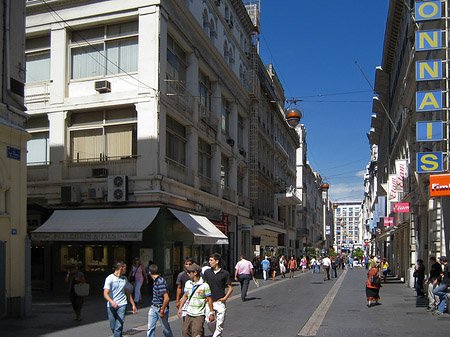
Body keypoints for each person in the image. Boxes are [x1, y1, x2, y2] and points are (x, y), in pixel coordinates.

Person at [178, 263, 215, 337]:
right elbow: (185, 296)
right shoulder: (188, 283)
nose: (187, 274)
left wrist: (211, 312)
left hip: (199, 314)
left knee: (196, 332)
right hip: (189, 312)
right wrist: (180, 308)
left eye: (189, 272)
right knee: (185, 332)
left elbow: (209, 299)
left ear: (195, 272)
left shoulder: (205, 286)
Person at [103, 261, 137, 337]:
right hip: (111, 305)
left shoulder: (124, 279)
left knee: (118, 326)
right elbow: (105, 293)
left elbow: (128, 292)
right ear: (121, 268)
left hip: (122, 304)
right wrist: (111, 302)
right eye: (125, 268)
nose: (126, 270)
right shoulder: (110, 278)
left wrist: (133, 304)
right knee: (113, 327)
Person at [203, 253, 233, 337]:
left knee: (220, 321)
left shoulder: (225, 273)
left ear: (217, 261)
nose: (209, 262)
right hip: (209, 301)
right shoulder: (207, 272)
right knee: (209, 321)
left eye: (211, 260)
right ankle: (216, 334)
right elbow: (204, 285)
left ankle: (216, 335)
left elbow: (230, 287)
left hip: (220, 301)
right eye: (209, 260)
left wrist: (225, 298)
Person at [147, 264, 173, 337]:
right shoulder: (156, 281)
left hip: (160, 308)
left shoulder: (160, 281)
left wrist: (162, 310)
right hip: (153, 306)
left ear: (149, 272)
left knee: (165, 329)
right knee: (150, 328)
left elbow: (166, 297)